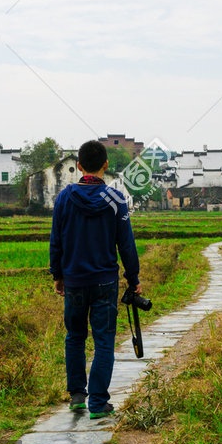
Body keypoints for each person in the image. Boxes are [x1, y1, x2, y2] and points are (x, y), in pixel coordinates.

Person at [49, 140, 141, 419]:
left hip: (74, 280)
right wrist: (132, 276)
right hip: (104, 282)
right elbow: (126, 244)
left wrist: (58, 274)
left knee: (74, 336)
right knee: (103, 341)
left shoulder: (65, 198)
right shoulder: (116, 199)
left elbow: (56, 241)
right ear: (106, 165)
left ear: (78, 167)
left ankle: (78, 395)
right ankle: (98, 403)